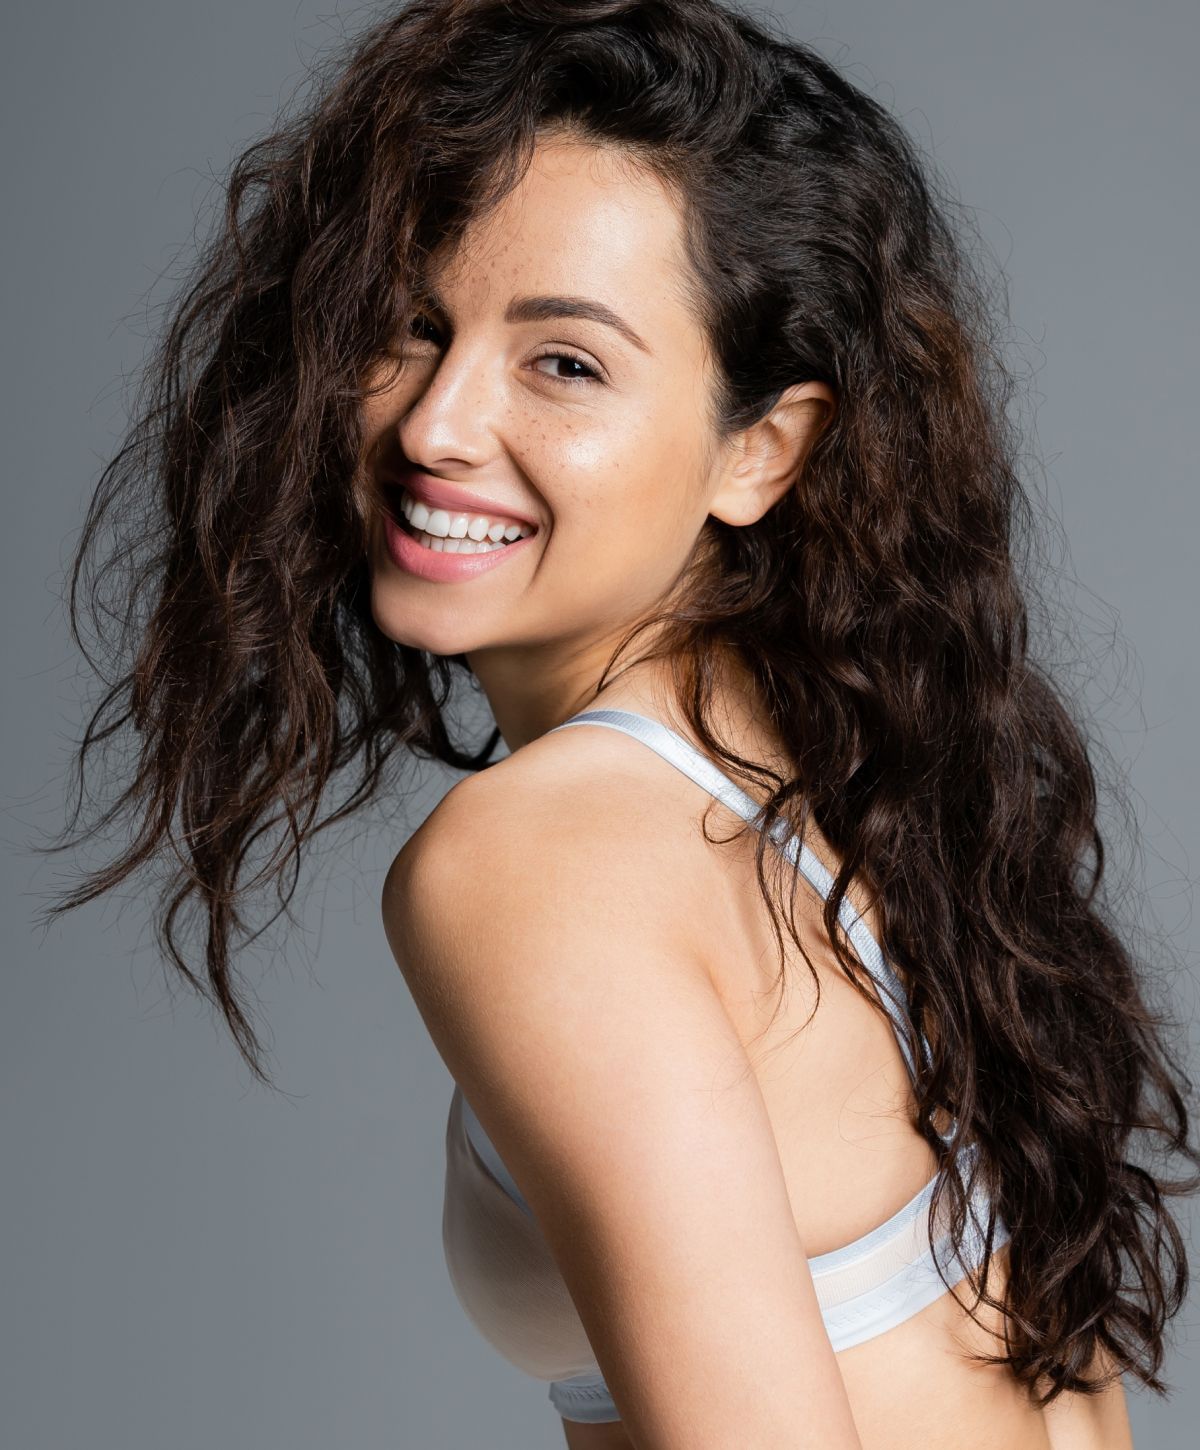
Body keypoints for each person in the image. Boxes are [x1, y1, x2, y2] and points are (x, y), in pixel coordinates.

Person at [42, 2, 1198, 1446]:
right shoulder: (868, 781)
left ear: (761, 449)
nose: (437, 424)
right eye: (411, 324)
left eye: (563, 362)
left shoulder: (543, 856)